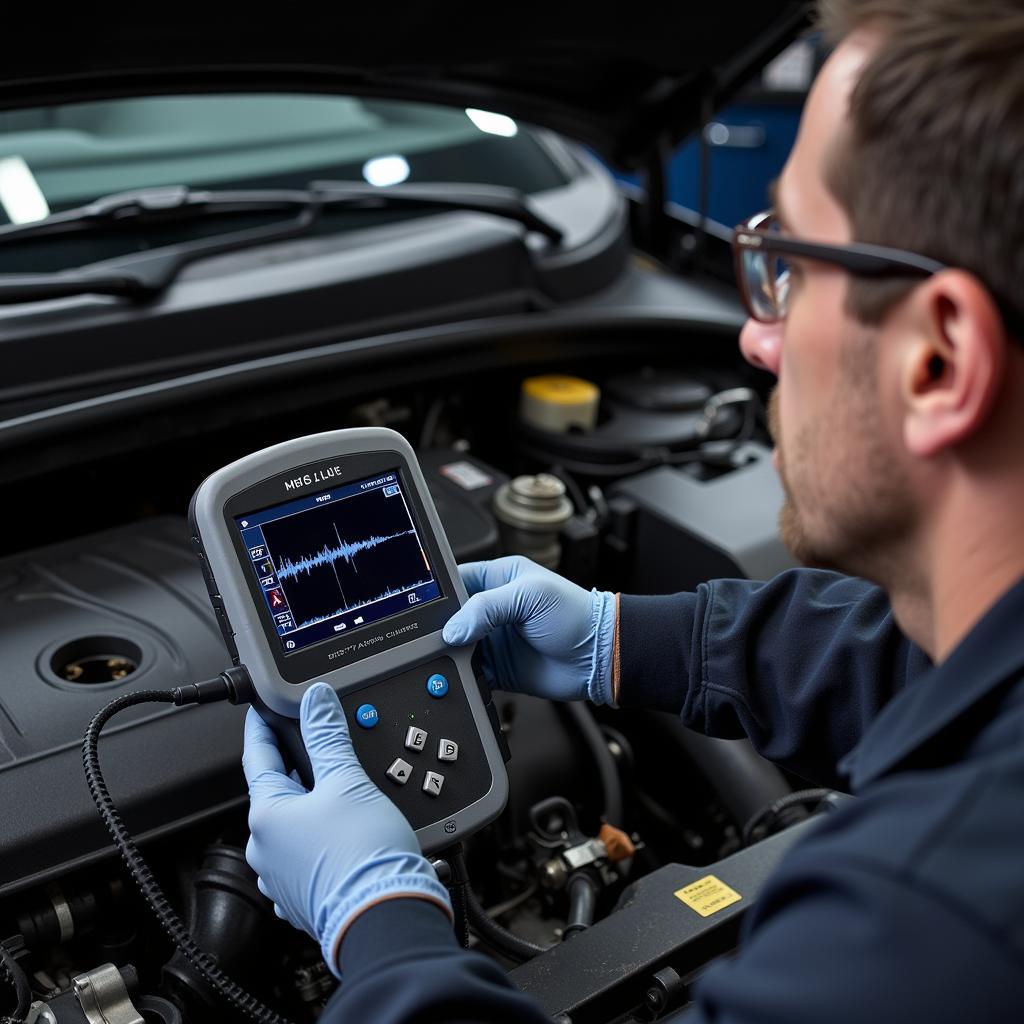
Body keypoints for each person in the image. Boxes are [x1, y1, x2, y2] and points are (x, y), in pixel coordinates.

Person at [240, 0, 1024, 1019]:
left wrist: (378, 924)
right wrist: (624, 640)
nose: (755, 336)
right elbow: (950, 661)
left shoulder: (924, 928)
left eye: (789, 266)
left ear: (937, 362)